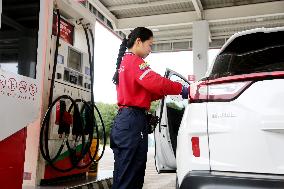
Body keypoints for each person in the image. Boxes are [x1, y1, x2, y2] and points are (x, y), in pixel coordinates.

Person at [110, 27, 189, 189]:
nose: (150, 50)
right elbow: (156, 82)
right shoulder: (134, 61)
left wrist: (163, 93)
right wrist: (182, 89)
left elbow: (146, 92)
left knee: (125, 174)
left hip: (126, 121)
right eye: (149, 44)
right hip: (132, 121)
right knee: (130, 176)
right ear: (138, 41)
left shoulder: (125, 62)